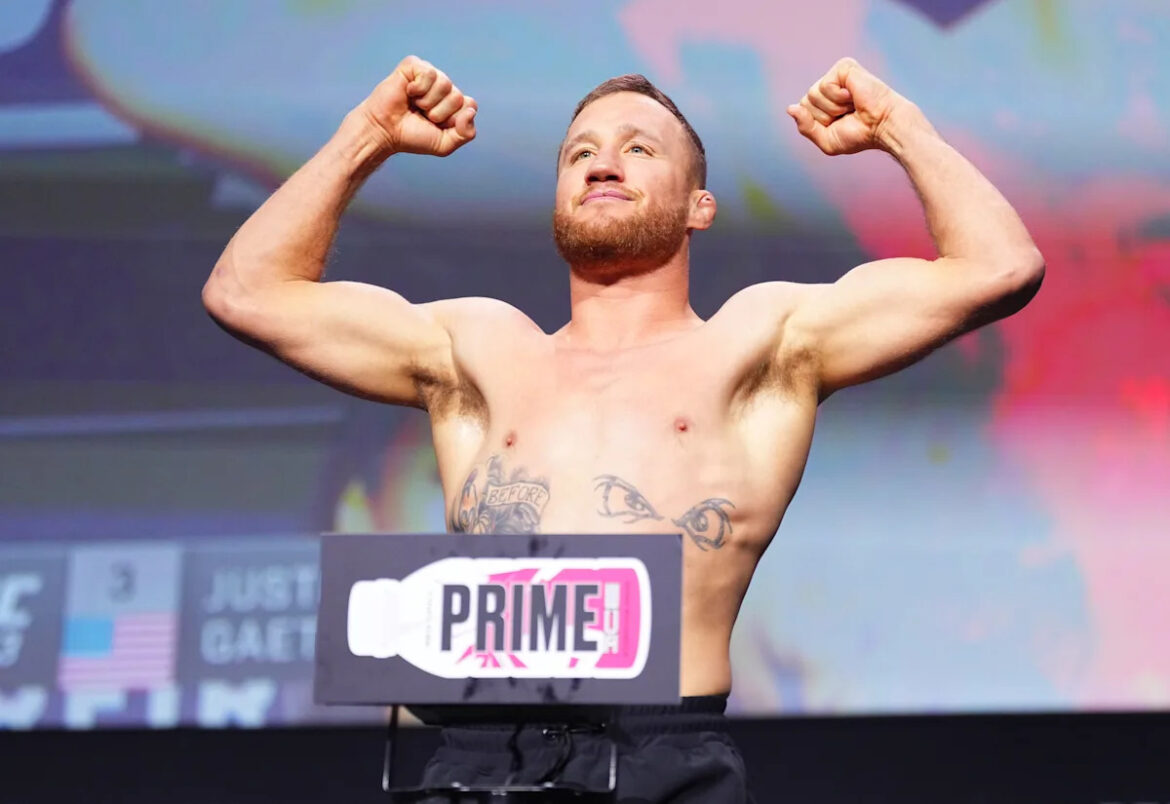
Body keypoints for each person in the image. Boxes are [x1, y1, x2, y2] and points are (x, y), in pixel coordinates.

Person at [202, 54, 1044, 802]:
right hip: (480, 756)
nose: (603, 162)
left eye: (639, 148)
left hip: (662, 755)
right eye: (580, 153)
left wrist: (898, 125)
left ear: (700, 207)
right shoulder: (475, 351)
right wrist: (368, 134)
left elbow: (999, 267)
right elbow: (246, 293)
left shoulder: (760, 341)